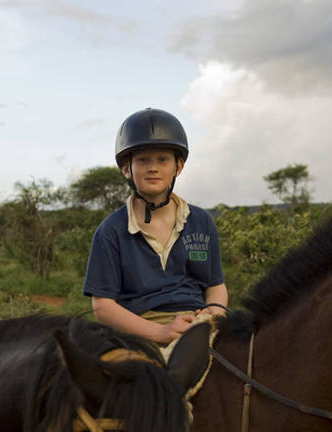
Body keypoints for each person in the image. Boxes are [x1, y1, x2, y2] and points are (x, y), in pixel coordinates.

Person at [83, 108, 228, 346]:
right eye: (143, 160)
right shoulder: (111, 231)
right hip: (142, 327)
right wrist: (159, 333)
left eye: (162, 159)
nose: (153, 167)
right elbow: (103, 306)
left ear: (178, 167)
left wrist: (213, 313)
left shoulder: (201, 221)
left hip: (198, 321)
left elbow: (215, 285)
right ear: (127, 169)